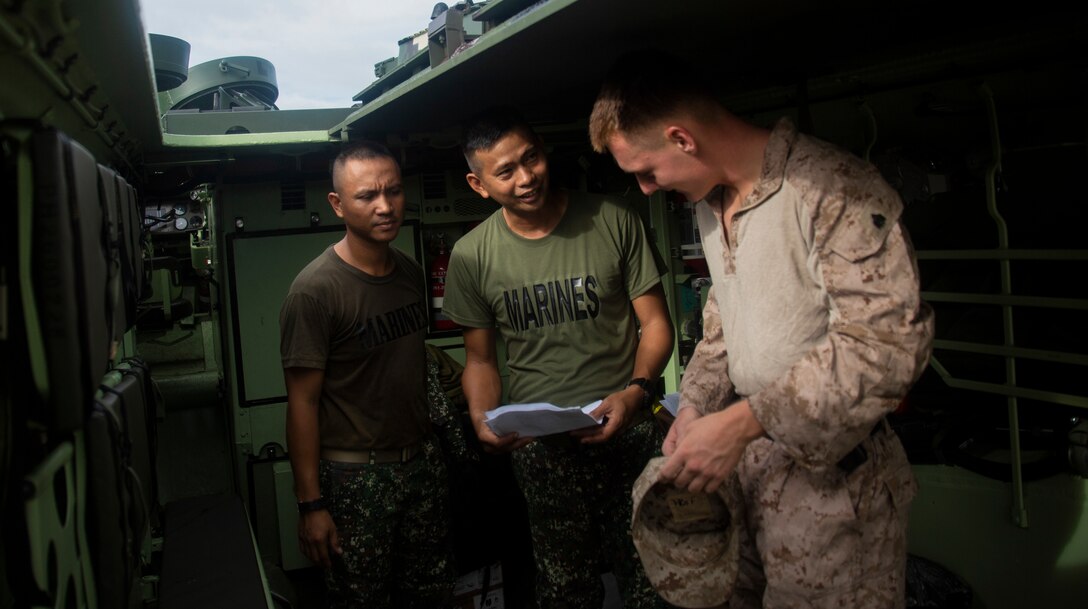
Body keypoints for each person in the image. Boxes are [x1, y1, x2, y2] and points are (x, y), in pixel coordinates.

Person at [589, 50, 935, 609]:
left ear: (682, 139)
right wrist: (697, 407)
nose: (647, 190)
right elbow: (724, 327)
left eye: (646, 172)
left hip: (835, 493)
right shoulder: (709, 203)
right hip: (748, 483)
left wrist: (745, 422)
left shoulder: (831, 187)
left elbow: (888, 347)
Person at [442, 106, 675, 609]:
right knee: (566, 589)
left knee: (653, 577)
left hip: (628, 433)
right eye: (506, 171)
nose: (526, 177)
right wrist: (484, 419)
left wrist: (636, 392)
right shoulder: (471, 256)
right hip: (541, 449)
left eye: (531, 158)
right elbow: (479, 360)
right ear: (478, 184)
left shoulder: (613, 219)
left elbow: (655, 324)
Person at [279, 141, 454, 608]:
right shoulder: (315, 291)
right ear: (337, 204)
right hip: (357, 477)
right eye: (367, 196)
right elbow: (302, 403)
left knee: (430, 595)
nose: (385, 206)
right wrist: (311, 504)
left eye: (394, 192)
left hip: (420, 467)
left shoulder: (409, 273)